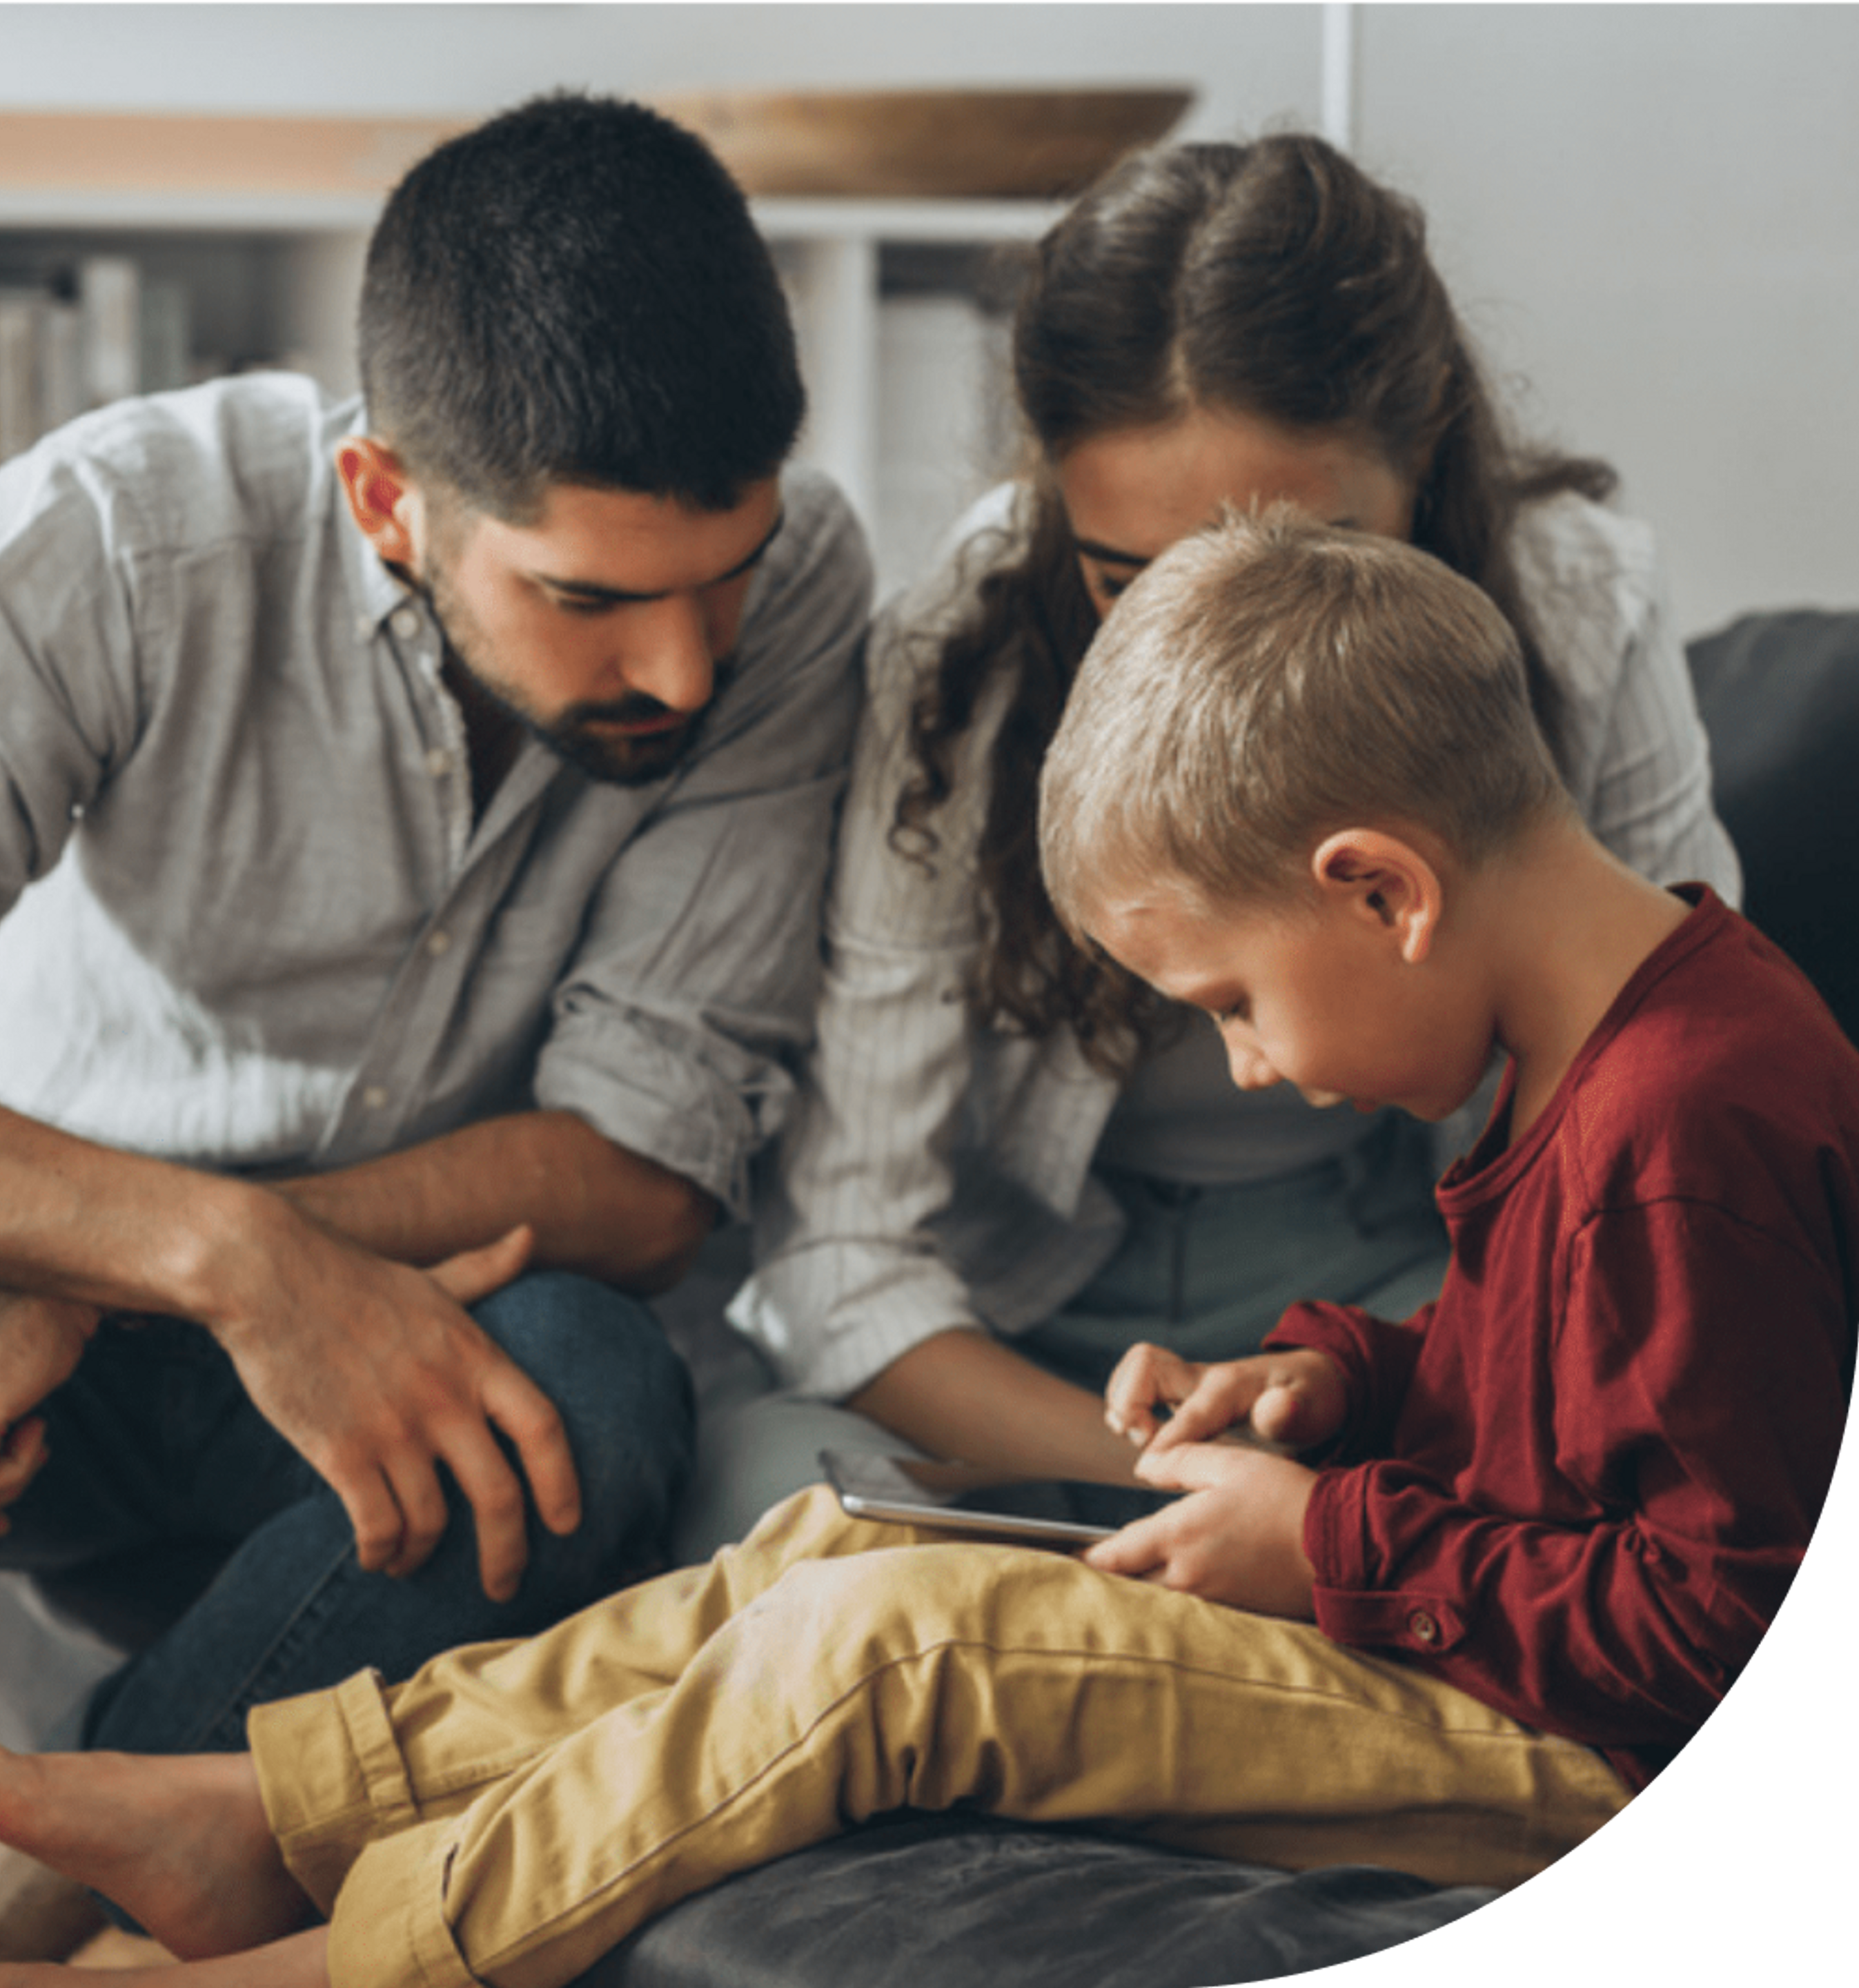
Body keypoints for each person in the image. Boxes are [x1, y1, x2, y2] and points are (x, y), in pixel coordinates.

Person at [0, 509, 1853, 1988]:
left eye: (1234, 1001)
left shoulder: (1684, 1126)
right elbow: (1586, 1416)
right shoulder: (1596, 1036)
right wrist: (1342, 1380)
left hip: (1578, 1765)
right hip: (1489, 1650)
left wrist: (1326, 1539)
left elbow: (1714, 1622)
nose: (1249, 1063)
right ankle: (286, 1808)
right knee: (832, 1547)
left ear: (1380, 891)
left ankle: (362, 1960)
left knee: (893, 1652)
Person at [0, 92, 869, 1988]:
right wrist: (192, 1256)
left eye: (719, 576)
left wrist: (202, 1275)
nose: (683, 666)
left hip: (385, 1378)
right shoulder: (127, 532)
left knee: (595, 1385)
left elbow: (644, 1177)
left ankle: (50, 1861)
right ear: (387, 500)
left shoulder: (801, 590)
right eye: (589, 600)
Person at [680, 130, 1742, 1556]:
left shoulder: (1581, 602)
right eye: (1127, 577)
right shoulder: (969, 645)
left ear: (1420, 464)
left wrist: (1356, 1467)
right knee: (786, 1523)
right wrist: (1189, 1493)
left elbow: (1667, 1101)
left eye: (1299, 555)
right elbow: (847, 1257)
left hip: (1415, 1307)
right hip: (1029, 1338)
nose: (1206, 640)